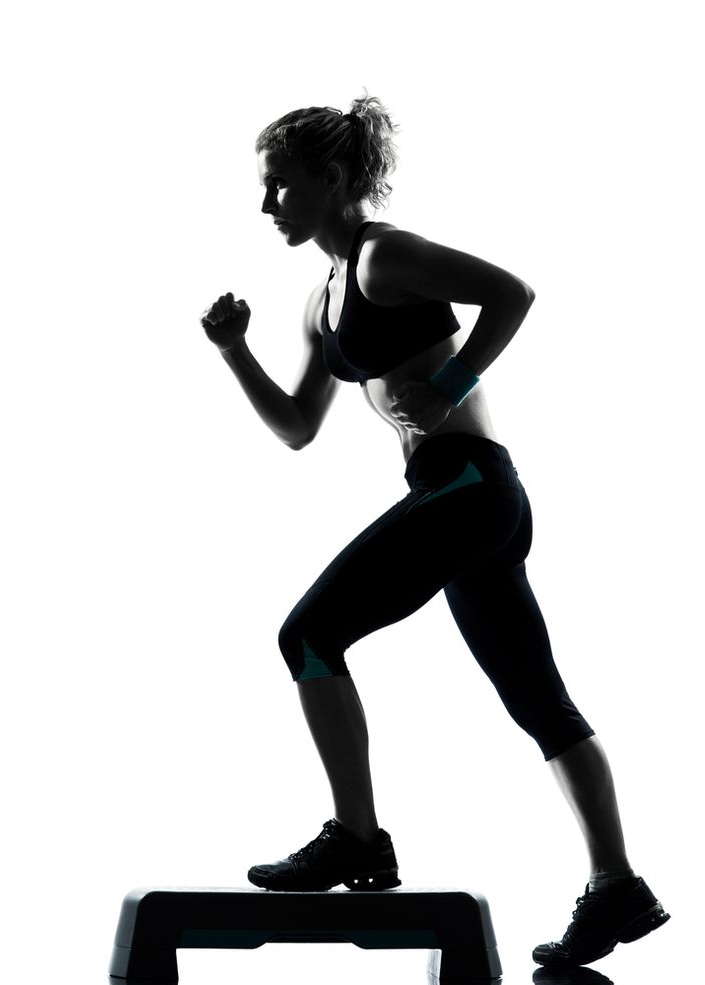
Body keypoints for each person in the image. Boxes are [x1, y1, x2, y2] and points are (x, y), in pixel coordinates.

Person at [200, 92, 669, 968]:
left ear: (333, 179)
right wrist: (234, 353)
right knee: (539, 700)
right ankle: (618, 886)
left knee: (308, 634)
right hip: (466, 494)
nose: (268, 207)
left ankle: (357, 836)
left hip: (466, 484)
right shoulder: (323, 296)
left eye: (281, 187)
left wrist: (450, 382)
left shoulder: (386, 258)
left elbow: (512, 292)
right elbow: (300, 426)